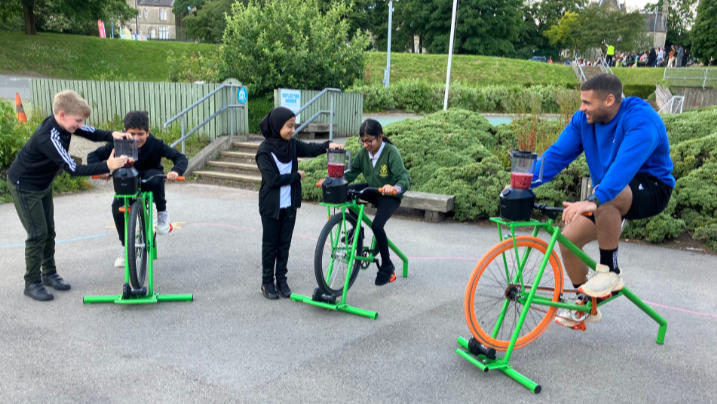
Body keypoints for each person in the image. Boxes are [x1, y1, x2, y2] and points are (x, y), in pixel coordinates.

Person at [526, 74, 674, 327]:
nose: (581, 108)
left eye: (587, 102)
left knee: (609, 194)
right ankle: (587, 306)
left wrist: (594, 199)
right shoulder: (583, 120)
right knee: (568, 238)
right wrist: (524, 182)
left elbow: (624, 167)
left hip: (651, 188)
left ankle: (610, 271)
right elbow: (557, 155)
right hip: (609, 193)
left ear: (609, 100)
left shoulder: (642, 119)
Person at [7, 90, 129, 301]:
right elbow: (72, 168)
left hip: (43, 184)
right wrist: (106, 165)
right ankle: (32, 282)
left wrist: (112, 135)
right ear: (62, 115)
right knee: (37, 233)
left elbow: (88, 131)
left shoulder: (65, 124)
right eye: (77, 121)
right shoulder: (49, 136)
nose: (80, 125)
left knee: (49, 231)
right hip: (25, 186)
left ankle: (49, 273)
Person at [255, 107, 343, 300]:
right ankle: (266, 282)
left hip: (290, 205)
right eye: (289, 126)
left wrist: (329, 145)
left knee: (284, 245)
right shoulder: (264, 150)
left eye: (293, 126)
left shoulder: (292, 145)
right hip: (271, 207)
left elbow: (311, 148)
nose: (292, 130)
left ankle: (282, 281)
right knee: (270, 245)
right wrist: (296, 176)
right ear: (277, 125)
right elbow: (272, 180)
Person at [87, 111, 188, 268]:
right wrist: (102, 169)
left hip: (149, 178)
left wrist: (175, 171)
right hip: (127, 181)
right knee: (116, 208)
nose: (136, 138)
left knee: (156, 177)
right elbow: (93, 156)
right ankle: (125, 246)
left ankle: (162, 212)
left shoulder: (156, 144)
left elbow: (180, 157)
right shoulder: (119, 143)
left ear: (148, 132)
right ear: (124, 132)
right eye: (131, 133)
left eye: (140, 133)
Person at [337, 119, 410, 286]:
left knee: (377, 226)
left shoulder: (391, 152)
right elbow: (350, 174)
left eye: (369, 140)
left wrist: (395, 188)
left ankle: (387, 265)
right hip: (373, 190)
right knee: (347, 192)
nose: (365, 144)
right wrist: (334, 181)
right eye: (362, 140)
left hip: (390, 196)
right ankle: (357, 230)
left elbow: (404, 177)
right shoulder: (363, 154)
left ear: (380, 137)